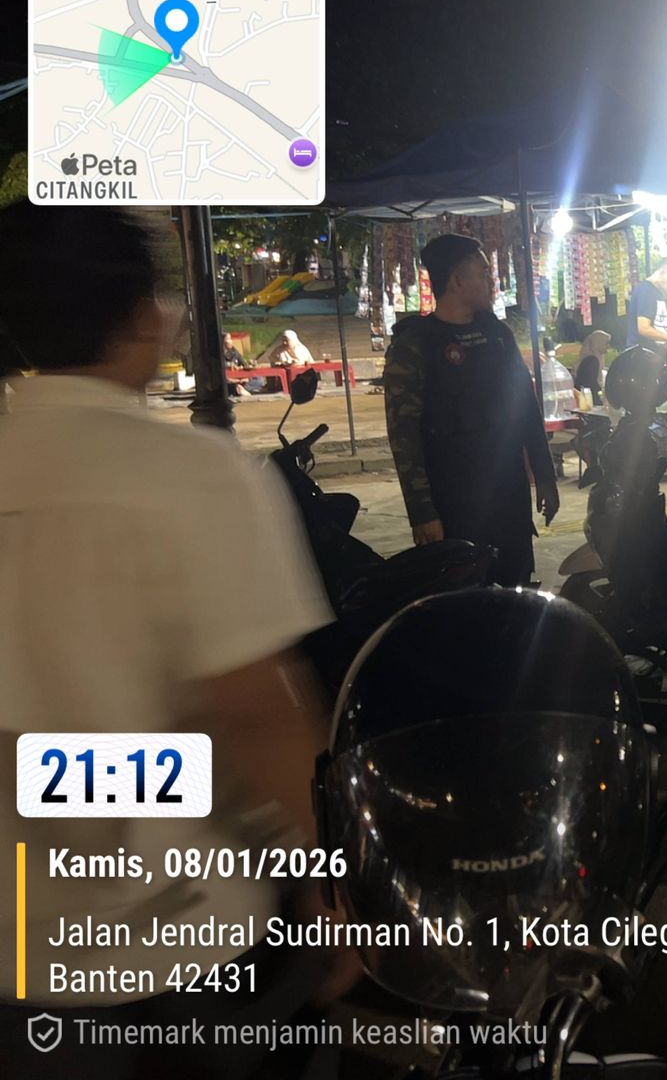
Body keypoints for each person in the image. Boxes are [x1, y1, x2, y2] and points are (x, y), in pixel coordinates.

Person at [0, 205, 346, 1075]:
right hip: (176, 945)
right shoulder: (190, 474)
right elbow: (256, 712)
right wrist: (337, 885)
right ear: (139, 315)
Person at [384, 233, 559, 587]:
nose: (491, 282)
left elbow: (525, 409)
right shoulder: (414, 346)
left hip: (508, 496)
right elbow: (404, 438)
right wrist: (422, 512)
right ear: (457, 281)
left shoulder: (498, 336)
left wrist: (545, 475)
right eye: (483, 273)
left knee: (515, 590)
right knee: (464, 601)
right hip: (453, 502)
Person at [625, 257, 667, 349]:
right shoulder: (646, 291)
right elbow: (644, 328)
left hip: (653, 352)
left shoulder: (658, 292)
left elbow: (661, 323)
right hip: (640, 353)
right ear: (662, 272)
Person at [573, 328, 610, 406]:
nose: (608, 346)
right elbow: (593, 385)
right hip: (588, 401)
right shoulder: (592, 361)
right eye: (606, 343)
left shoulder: (593, 358)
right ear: (598, 343)